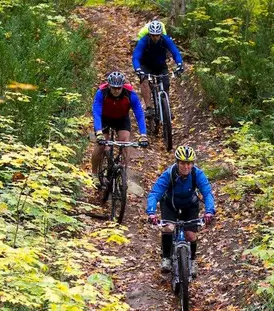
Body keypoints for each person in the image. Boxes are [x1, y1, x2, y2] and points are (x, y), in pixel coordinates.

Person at [146, 146, 215, 276]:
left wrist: (209, 211)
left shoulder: (197, 174)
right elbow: (155, 193)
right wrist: (151, 212)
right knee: (168, 228)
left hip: (189, 205)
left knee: (190, 235)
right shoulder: (169, 174)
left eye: (189, 163)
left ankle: (193, 260)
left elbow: (207, 193)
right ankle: (166, 257)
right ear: (177, 162)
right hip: (170, 204)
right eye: (183, 163)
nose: (186, 167)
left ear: (193, 164)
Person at [91, 71, 149, 187]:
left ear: (122, 86)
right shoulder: (101, 93)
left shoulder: (130, 94)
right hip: (105, 119)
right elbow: (96, 113)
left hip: (122, 119)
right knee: (101, 145)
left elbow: (139, 114)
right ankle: (94, 174)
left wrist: (143, 134)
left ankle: (123, 172)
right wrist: (99, 132)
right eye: (114, 88)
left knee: (125, 143)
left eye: (119, 88)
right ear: (109, 86)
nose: (117, 90)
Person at [132, 20, 184, 117]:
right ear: (149, 34)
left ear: (160, 34)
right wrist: (138, 69)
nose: (155, 37)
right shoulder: (144, 40)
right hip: (146, 64)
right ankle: (149, 108)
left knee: (166, 83)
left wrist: (180, 64)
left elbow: (176, 53)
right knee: (144, 81)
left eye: (157, 35)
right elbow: (136, 57)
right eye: (152, 35)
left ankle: (166, 108)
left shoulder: (165, 40)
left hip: (160, 65)